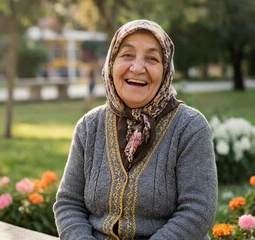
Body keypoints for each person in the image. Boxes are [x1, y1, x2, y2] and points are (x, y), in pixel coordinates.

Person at [54, 19, 217, 239]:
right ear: (111, 63)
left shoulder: (190, 127)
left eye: (151, 58)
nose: (137, 68)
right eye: (127, 55)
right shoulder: (89, 126)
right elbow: (68, 203)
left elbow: (198, 211)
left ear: (165, 69)